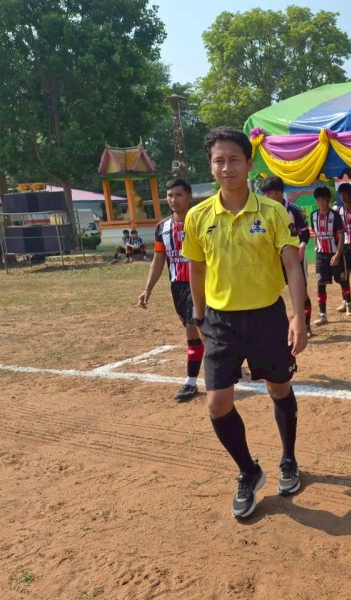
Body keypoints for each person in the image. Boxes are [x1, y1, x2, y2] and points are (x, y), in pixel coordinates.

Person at [182, 126, 307, 518]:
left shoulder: (272, 212)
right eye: (219, 160)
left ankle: (289, 459)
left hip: (267, 317)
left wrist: (298, 317)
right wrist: (199, 316)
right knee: (218, 403)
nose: (227, 167)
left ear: (249, 163)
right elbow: (196, 269)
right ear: (210, 165)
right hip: (220, 322)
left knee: (279, 388)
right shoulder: (197, 216)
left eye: (234, 159)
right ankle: (248, 471)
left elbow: (292, 264)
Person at [138, 179, 202, 402]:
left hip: (201, 284)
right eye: (170, 195)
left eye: (179, 195)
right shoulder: (162, 227)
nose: (174, 200)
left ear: (189, 197)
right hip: (178, 287)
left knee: (195, 329)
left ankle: (192, 382)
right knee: (194, 330)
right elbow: (158, 260)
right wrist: (148, 288)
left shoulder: (201, 221)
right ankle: (228, 360)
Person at [259, 176, 314, 337]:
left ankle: (306, 325)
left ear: (279, 193)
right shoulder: (264, 211)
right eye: (264, 194)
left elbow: (304, 232)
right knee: (272, 293)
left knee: (301, 292)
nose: (266, 196)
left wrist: (302, 245)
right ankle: (276, 328)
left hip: (295, 258)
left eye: (269, 193)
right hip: (275, 260)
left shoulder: (294, 210)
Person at [311, 186, 351, 323]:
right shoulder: (313, 215)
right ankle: (323, 315)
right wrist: (316, 248)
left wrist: (338, 255)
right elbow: (315, 234)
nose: (321, 202)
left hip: (334, 254)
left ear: (328, 200)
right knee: (320, 284)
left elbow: (341, 236)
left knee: (343, 280)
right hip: (320, 256)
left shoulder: (335, 216)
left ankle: (348, 304)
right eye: (318, 200)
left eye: (323, 199)